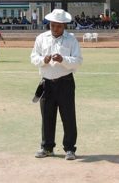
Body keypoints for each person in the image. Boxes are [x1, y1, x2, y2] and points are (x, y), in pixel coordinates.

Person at [30, 9, 83, 161]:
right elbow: (33, 57)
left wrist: (63, 60)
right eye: (52, 25)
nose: (55, 29)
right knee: (47, 116)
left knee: (68, 116)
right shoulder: (41, 38)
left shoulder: (71, 40)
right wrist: (43, 60)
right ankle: (47, 147)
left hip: (65, 82)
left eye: (58, 26)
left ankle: (70, 149)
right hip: (46, 83)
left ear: (64, 25)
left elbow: (78, 61)